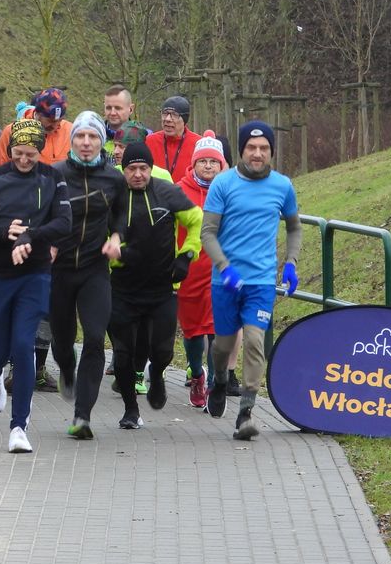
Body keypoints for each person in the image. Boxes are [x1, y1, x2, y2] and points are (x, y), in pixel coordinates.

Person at [0, 119, 71, 453]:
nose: (25, 160)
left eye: (31, 154)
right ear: (10, 150)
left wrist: (30, 235)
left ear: (40, 151)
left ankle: (18, 427)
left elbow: (63, 223)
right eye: (18, 153)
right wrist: (4, 235)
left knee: (24, 344)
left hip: (35, 273)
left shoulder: (53, 178)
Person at [201, 120, 302, 440]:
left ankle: (245, 412)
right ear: (242, 150)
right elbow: (208, 232)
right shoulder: (223, 184)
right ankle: (218, 380)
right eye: (251, 148)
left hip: (260, 281)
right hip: (226, 281)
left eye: (264, 149)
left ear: (271, 152)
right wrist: (224, 266)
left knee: (256, 342)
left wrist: (291, 263)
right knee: (223, 345)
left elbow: (294, 227)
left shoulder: (282, 186)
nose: (257, 154)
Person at [107, 142, 202, 430]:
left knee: (161, 351)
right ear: (123, 171)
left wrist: (186, 255)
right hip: (122, 288)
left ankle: (157, 373)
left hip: (162, 288)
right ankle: (130, 409)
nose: (138, 174)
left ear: (151, 169)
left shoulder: (168, 192)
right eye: (132, 169)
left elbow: (198, 221)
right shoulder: (113, 197)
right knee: (123, 353)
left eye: (143, 168)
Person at [50, 111, 128, 440]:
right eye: (81, 136)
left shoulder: (115, 179)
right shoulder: (53, 174)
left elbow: (122, 215)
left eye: (93, 137)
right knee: (63, 341)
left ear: (102, 141)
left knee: (96, 338)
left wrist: (115, 238)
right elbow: (40, 214)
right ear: (73, 140)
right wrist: (47, 242)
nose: (86, 143)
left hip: (95, 269)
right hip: (59, 269)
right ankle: (65, 367)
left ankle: (82, 416)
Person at [177, 130, 226, 409]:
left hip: (220, 271)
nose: (208, 166)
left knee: (216, 330)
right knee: (193, 332)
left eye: (213, 162)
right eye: (203, 161)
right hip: (189, 271)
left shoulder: (231, 190)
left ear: (221, 165)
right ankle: (197, 373)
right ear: (193, 164)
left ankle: (212, 386)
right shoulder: (179, 190)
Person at [0, 88, 73, 168]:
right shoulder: (12, 131)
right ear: (37, 113)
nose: (55, 126)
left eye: (59, 120)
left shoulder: (71, 131)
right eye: (50, 120)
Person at [146, 96, 201, 183]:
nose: (167, 119)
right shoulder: (149, 141)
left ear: (184, 119)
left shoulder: (198, 144)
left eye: (174, 115)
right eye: (165, 113)